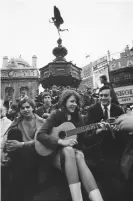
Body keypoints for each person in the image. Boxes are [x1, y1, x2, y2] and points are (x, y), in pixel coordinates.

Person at [36, 89, 104, 201]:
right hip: (55, 154)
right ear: (64, 102)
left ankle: (97, 199)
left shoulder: (79, 118)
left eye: (76, 102)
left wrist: (97, 131)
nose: (74, 104)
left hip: (74, 154)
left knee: (78, 155)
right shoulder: (56, 115)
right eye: (72, 101)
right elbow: (40, 134)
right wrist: (61, 141)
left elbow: (85, 139)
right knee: (69, 150)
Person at [83, 85, 128, 201]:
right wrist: (99, 130)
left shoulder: (118, 109)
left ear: (111, 97)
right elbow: (87, 133)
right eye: (101, 95)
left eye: (105, 95)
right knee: (104, 185)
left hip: (116, 152)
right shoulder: (92, 110)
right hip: (98, 152)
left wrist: (118, 130)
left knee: (118, 184)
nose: (103, 98)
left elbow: (123, 132)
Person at [1, 97, 45, 201]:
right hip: (18, 154)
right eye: (22, 108)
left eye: (27, 107)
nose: (25, 110)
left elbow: (40, 142)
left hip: (35, 152)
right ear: (20, 110)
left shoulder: (42, 122)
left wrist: (22, 144)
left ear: (33, 108)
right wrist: (2, 152)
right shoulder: (17, 121)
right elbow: (6, 137)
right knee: (14, 132)